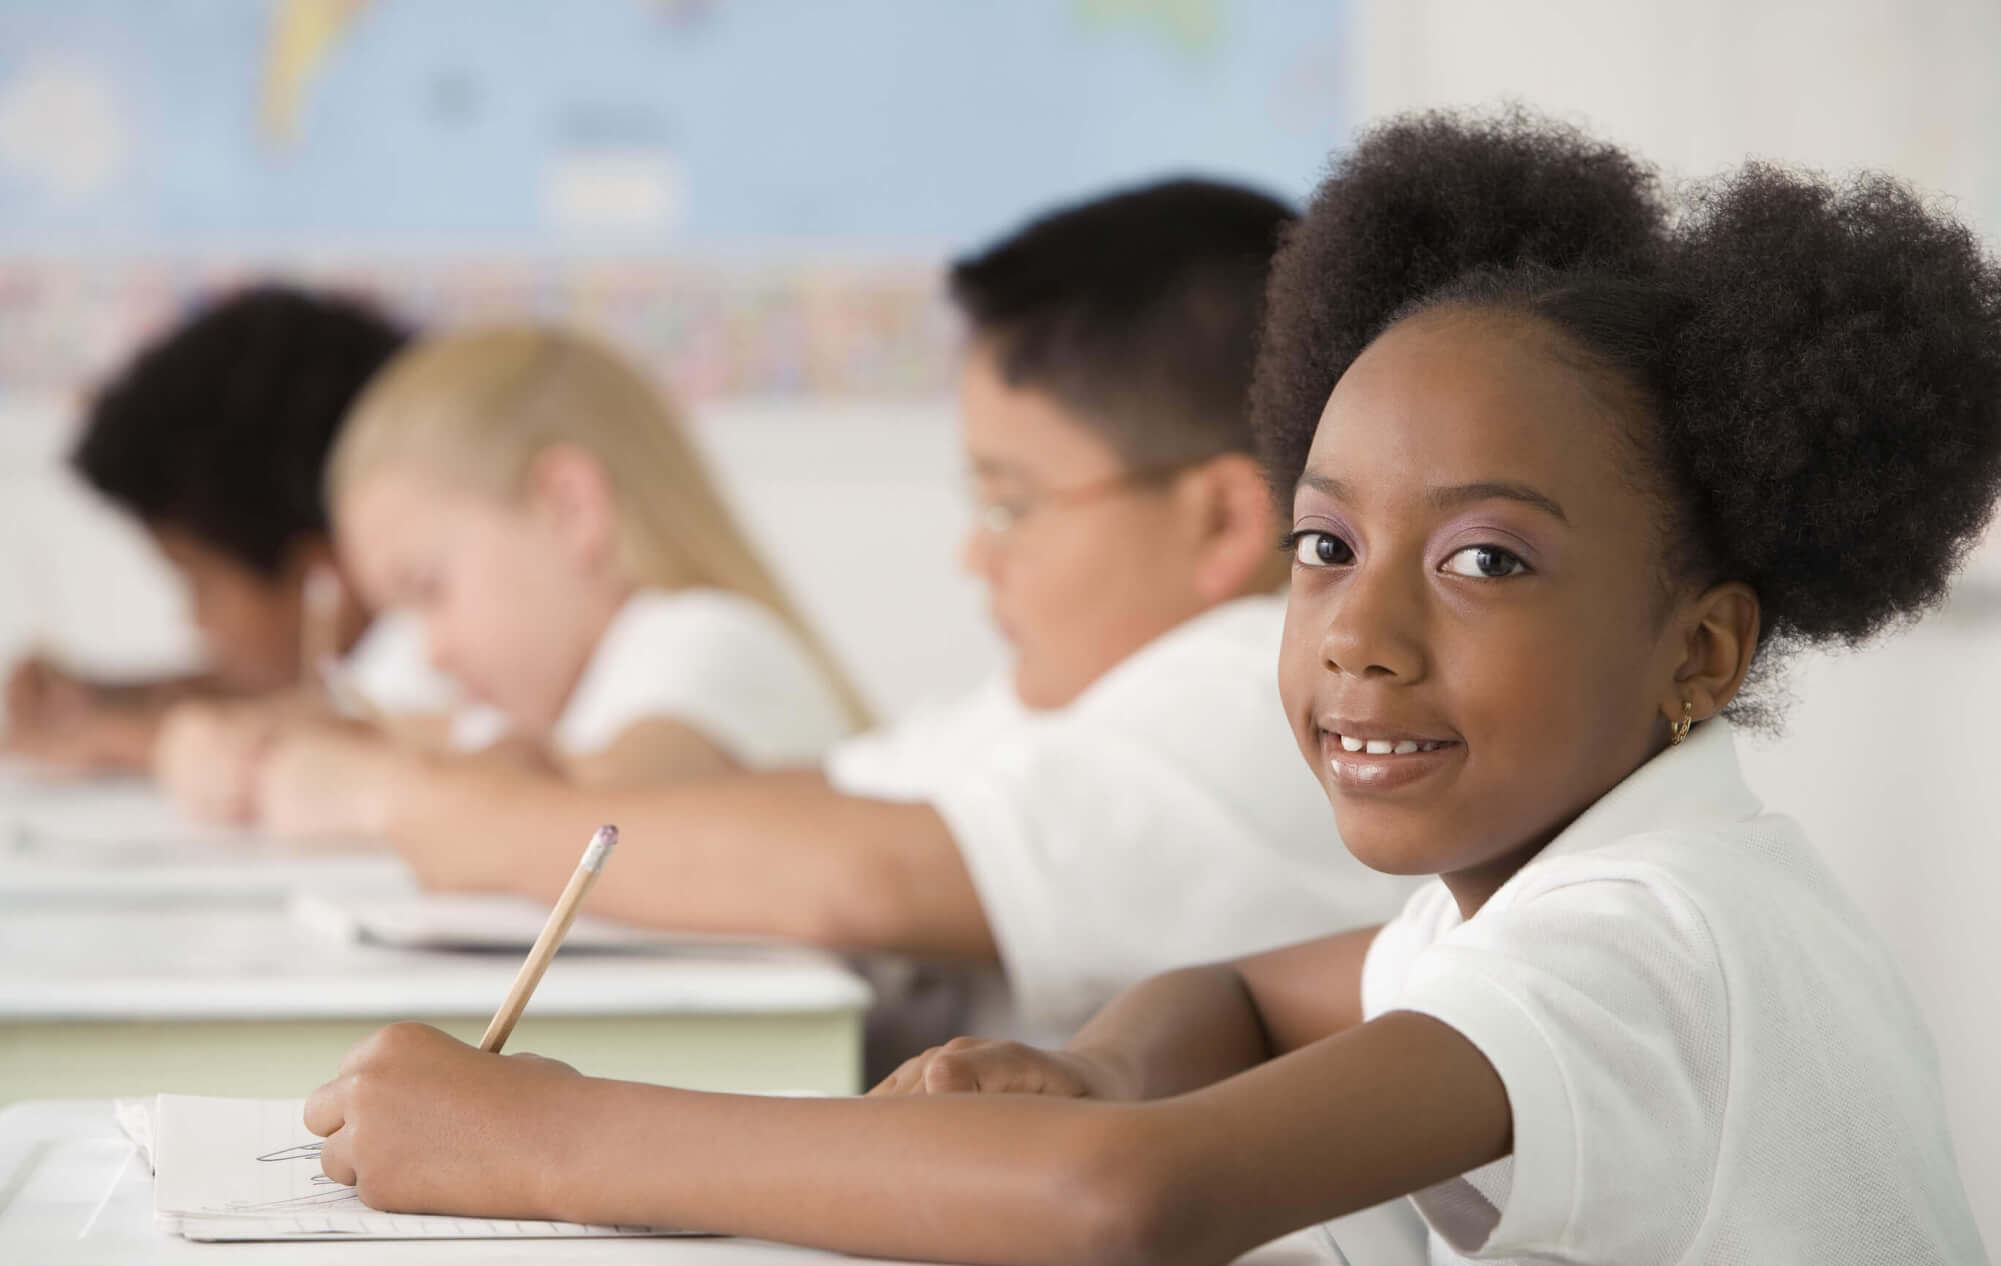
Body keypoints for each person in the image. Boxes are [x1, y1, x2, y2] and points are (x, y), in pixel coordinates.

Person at [307, 111, 2001, 1266]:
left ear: (1699, 646)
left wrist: (542, 1139)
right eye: (1325, 546)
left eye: (1485, 561)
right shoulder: (1552, 882)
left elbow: (1133, 1205)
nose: (1358, 632)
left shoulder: (1650, 943)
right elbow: (1229, 996)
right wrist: (1107, 1060)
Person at [260, 179, 1417, 1052]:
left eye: (1010, 503)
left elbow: (856, 874)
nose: (974, 553)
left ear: (1219, 524)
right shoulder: (1063, 707)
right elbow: (823, 802)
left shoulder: (1261, 692)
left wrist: (426, 807)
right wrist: (522, 796)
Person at [214, 326, 866, 833]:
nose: (431, 650)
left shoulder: (712, 642)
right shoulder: (574, 687)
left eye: (431, 589)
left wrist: (367, 791)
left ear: (570, 508)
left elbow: (568, 821)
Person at [2, 286, 413, 776]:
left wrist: (122, 740)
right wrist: (116, 698)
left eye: (198, 580)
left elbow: (374, 740)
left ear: (321, 577)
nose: (195, 621)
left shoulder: (450, 678)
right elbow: (305, 695)